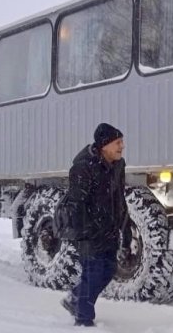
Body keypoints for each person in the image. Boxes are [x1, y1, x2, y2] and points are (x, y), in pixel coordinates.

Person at [60, 123, 132, 327]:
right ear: (104, 145)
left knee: (108, 271)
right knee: (92, 273)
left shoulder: (118, 164)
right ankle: (84, 321)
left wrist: (125, 228)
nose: (122, 146)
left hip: (109, 228)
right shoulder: (83, 166)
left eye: (121, 142)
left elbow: (120, 198)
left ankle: (75, 297)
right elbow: (77, 204)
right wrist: (88, 232)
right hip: (90, 231)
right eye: (118, 143)